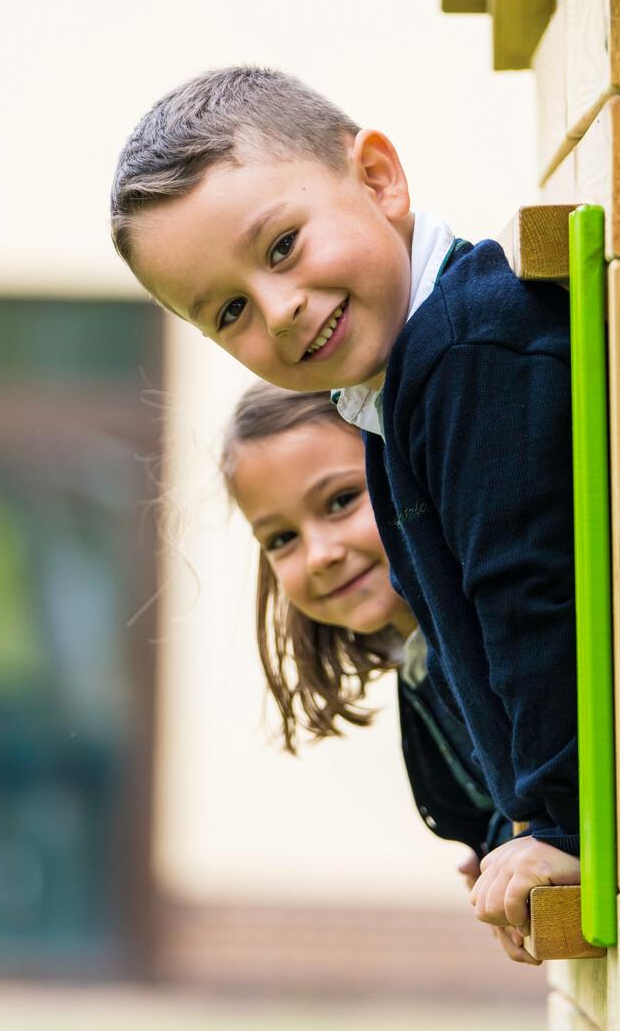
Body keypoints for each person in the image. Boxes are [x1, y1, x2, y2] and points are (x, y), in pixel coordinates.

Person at [109, 66, 581, 938]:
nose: (279, 310)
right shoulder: (398, 392)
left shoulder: (464, 354)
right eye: (227, 312)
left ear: (378, 178)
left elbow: (531, 596)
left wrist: (560, 823)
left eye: (281, 246)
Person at [220, 380, 536, 966]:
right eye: (282, 538)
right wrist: (499, 854)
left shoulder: (508, 629)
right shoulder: (420, 663)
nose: (318, 553)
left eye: (340, 501)